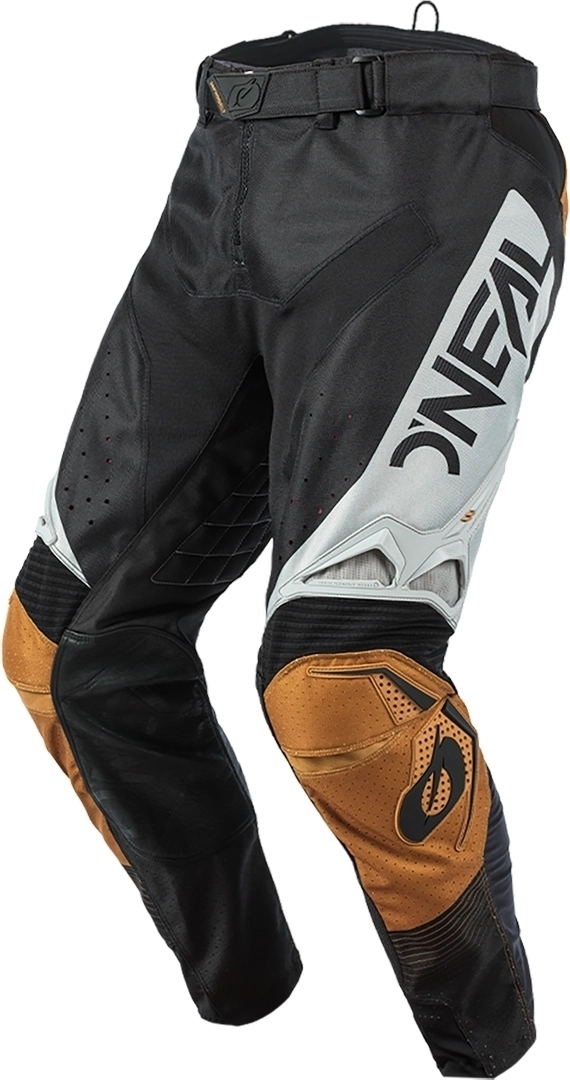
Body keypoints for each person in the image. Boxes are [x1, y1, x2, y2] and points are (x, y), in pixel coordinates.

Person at [2, 14, 566, 1077]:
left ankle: (486, 1044)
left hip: (438, 161)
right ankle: (249, 993)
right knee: (68, 642)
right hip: (228, 151)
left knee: (345, 680)